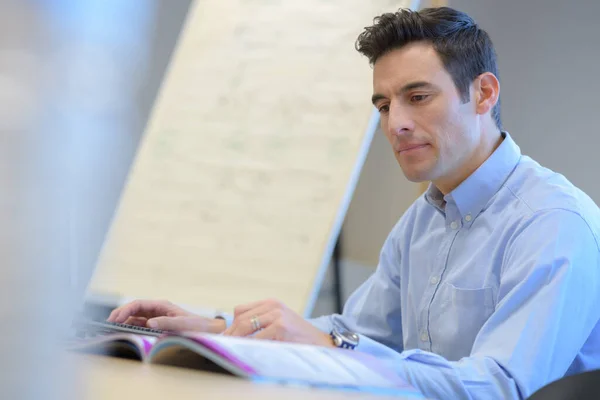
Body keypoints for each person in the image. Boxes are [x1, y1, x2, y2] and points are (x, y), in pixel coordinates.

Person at [108, 7, 600, 399]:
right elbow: (355, 331)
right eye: (384, 106)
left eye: (418, 96)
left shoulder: (554, 224)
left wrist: (330, 344)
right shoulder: (425, 217)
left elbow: (503, 389)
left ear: (484, 93)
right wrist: (219, 330)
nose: (395, 123)